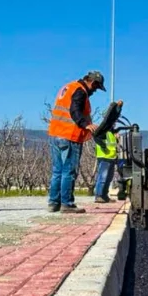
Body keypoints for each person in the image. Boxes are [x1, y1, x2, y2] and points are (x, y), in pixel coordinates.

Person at [47, 70, 105, 213]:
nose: (95, 91)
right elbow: (75, 110)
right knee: (69, 171)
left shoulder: (68, 87)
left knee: (57, 171)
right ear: (92, 82)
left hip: (55, 134)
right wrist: (85, 124)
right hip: (69, 136)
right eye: (96, 88)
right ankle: (67, 204)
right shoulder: (80, 91)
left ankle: (54, 203)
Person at [93, 129, 117, 203]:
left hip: (111, 157)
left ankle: (104, 196)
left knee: (109, 178)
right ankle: (98, 196)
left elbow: (112, 145)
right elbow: (96, 137)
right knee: (102, 177)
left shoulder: (111, 132)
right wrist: (104, 147)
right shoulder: (104, 129)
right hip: (104, 156)